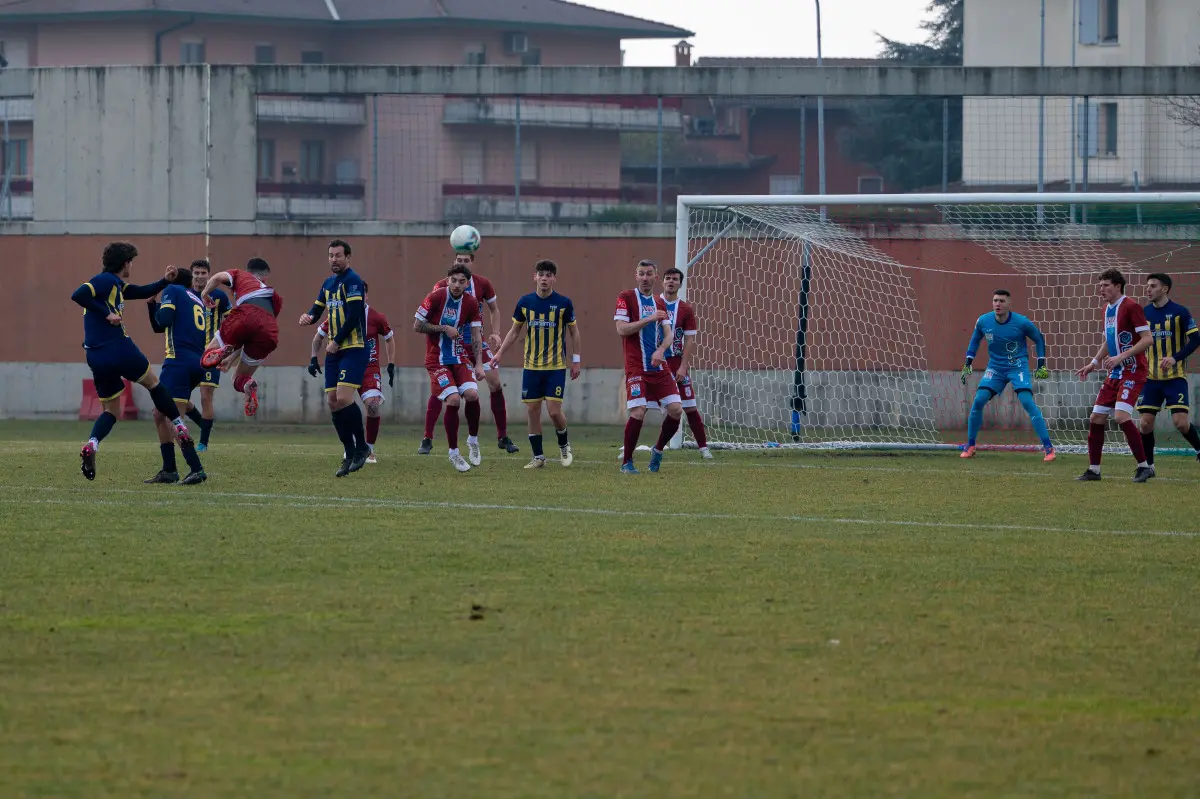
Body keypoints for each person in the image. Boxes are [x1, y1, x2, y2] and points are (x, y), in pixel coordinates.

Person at [69, 241, 199, 481]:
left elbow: (140, 291)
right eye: (132, 261)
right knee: (153, 384)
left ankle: (92, 444)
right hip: (118, 347)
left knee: (111, 410)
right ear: (125, 262)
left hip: (96, 356)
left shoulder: (115, 285)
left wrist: (165, 280)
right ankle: (179, 425)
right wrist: (106, 312)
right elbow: (78, 294)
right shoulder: (106, 280)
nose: (132, 265)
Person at [420, 252, 520, 456]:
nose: (462, 263)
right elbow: (429, 318)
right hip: (451, 344)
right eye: (459, 260)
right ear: (453, 262)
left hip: (476, 341)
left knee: (495, 383)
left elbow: (494, 309)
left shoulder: (483, 284)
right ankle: (427, 438)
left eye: (466, 260)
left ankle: (502, 436)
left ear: (472, 263)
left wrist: (495, 332)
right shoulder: (441, 287)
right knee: (442, 391)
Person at [490, 259, 580, 469]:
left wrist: (576, 361)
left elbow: (574, 332)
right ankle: (538, 457)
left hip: (556, 366)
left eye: (549, 275)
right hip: (531, 367)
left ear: (554, 279)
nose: (544, 279)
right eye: (541, 274)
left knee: (554, 412)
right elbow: (514, 332)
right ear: (535, 277)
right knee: (532, 410)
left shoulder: (563, 303)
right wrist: (499, 354)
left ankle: (564, 444)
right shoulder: (525, 302)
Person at [298, 239, 371, 477]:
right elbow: (317, 309)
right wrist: (308, 317)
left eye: (338, 255)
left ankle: (362, 447)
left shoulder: (354, 281)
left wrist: (337, 339)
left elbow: (353, 316)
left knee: (343, 397)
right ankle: (349, 452)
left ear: (348, 257)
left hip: (353, 348)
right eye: (330, 255)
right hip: (333, 351)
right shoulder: (328, 283)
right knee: (332, 402)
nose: (334, 260)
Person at [1074, 268, 1155, 482]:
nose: (1101, 289)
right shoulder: (1106, 310)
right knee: (1096, 417)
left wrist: (1121, 357)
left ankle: (1144, 466)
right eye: (1100, 285)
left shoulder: (1131, 306)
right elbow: (1110, 341)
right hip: (1115, 372)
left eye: (1105, 285)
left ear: (1118, 286)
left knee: (1120, 416)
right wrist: (1094, 362)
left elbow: (1147, 339)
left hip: (1133, 371)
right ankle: (1094, 470)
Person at [959, 289, 1055, 461]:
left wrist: (1041, 365)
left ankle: (1048, 448)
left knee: (1027, 402)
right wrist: (968, 363)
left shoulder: (1021, 322)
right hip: (995, 367)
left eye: (1002, 301)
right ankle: (971, 445)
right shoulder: (983, 321)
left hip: (1017, 366)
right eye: (995, 300)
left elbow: (1039, 338)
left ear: (1009, 304)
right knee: (979, 400)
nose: (998, 304)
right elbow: (974, 340)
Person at [311, 282, 395, 464]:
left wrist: (391, 363)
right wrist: (313, 357)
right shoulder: (338, 316)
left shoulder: (376, 317)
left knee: (373, 405)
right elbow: (319, 336)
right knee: (340, 404)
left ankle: (368, 450)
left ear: (366, 296)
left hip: (369, 368)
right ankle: (351, 446)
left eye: (362, 295)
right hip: (346, 366)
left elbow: (389, 338)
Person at [414, 261, 485, 472]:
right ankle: (453, 452)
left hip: (459, 357)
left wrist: (479, 364)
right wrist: (443, 328)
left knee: (472, 395)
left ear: (467, 284)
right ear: (448, 280)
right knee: (453, 400)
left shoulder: (471, 303)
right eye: (453, 280)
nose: (456, 285)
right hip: (436, 359)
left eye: (461, 282)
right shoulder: (436, 296)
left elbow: (476, 335)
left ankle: (472, 440)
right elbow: (417, 326)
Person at [143, 266, 209, 485]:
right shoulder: (195, 298)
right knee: (159, 413)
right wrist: (152, 304)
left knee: (173, 419)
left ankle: (196, 467)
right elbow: (159, 326)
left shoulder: (173, 290)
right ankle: (169, 469)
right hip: (195, 363)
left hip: (178, 362)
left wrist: (160, 299)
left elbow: (164, 319)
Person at [614, 259, 680, 474]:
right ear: (636, 276)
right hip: (637, 367)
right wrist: (648, 319)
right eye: (641, 274)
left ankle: (658, 450)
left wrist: (661, 350)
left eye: (648, 274)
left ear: (655, 277)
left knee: (676, 410)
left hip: (658, 368)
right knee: (638, 412)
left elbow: (669, 334)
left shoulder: (660, 303)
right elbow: (622, 329)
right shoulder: (626, 297)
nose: (645, 278)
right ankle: (627, 462)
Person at [199, 257, 282, 417]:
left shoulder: (240, 274)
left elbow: (216, 278)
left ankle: (220, 351)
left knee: (205, 359)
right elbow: (256, 329)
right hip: (269, 331)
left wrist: (204, 294)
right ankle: (247, 385)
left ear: (249, 271)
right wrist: (231, 359)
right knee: (239, 378)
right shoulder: (275, 298)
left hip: (245, 315)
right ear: (265, 277)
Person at [1137, 272, 1200, 470]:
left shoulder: (1180, 312)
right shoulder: (1143, 313)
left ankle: (1199, 450)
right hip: (1150, 379)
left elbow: (1196, 339)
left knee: (1180, 423)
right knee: (1145, 424)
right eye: (1147, 286)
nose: (1148, 289)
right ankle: (1149, 467)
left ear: (1164, 289)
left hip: (1175, 377)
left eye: (1153, 286)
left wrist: (1175, 358)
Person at [658, 266, 712, 459]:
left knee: (689, 407)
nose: (671, 281)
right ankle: (629, 446)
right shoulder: (653, 304)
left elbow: (689, 339)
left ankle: (703, 448)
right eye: (667, 278)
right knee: (641, 406)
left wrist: (683, 365)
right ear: (662, 281)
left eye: (674, 279)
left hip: (676, 363)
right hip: (656, 364)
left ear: (680, 284)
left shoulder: (686, 308)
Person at [188, 259, 229, 451]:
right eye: (196, 273)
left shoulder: (219, 296)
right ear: (192, 275)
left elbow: (231, 321)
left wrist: (227, 350)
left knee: (206, 396)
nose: (199, 276)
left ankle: (203, 443)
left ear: (209, 275)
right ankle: (203, 425)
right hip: (188, 352)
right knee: (180, 397)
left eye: (203, 273)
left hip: (211, 354)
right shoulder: (185, 294)